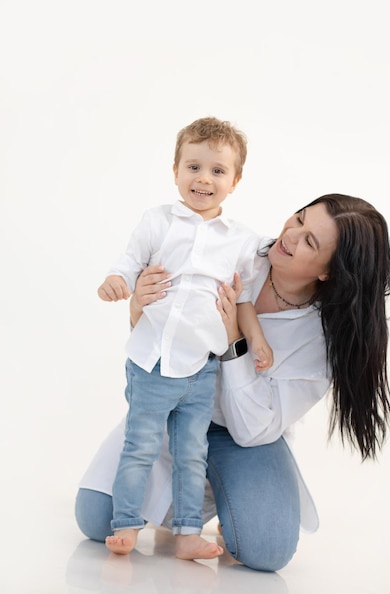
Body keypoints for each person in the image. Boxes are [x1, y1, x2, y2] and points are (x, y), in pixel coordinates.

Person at [77, 193, 390, 571]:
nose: (291, 235)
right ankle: (189, 504)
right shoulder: (236, 252)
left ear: (330, 270)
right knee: (97, 519)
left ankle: (214, 499)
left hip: (243, 436)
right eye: (299, 218)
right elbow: (165, 334)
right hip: (174, 406)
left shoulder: (323, 340)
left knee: (266, 549)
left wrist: (234, 340)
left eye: (310, 241)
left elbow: (252, 429)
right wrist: (137, 307)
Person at [96, 117, 273, 559]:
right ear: (175, 170)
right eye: (193, 166)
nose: (203, 179)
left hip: (202, 368)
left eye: (217, 171)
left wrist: (257, 340)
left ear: (235, 181)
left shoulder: (242, 240)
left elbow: (245, 300)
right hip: (153, 361)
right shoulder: (158, 222)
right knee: (141, 447)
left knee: (191, 454)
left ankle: (188, 533)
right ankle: (128, 526)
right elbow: (129, 262)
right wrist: (117, 283)